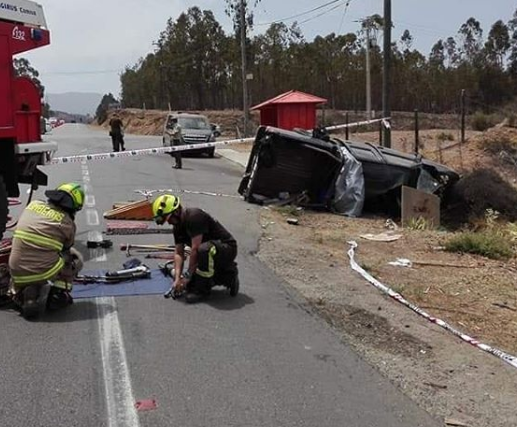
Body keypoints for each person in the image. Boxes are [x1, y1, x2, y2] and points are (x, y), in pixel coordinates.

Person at [9, 183, 85, 319]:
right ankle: (58, 295)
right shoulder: (67, 223)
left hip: (15, 269)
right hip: (42, 271)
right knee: (75, 258)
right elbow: (66, 250)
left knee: (28, 250)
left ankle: (25, 292)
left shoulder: (33, 205)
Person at [152, 194, 239, 303]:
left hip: (226, 248)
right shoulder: (177, 228)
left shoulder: (194, 216)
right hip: (208, 255)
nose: (169, 223)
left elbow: (195, 249)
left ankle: (202, 291)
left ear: (177, 211)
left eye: (169, 219)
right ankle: (230, 277)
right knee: (190, 285)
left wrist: (187, 276)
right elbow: (179, 253)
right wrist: (178, 279)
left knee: (203, 250)